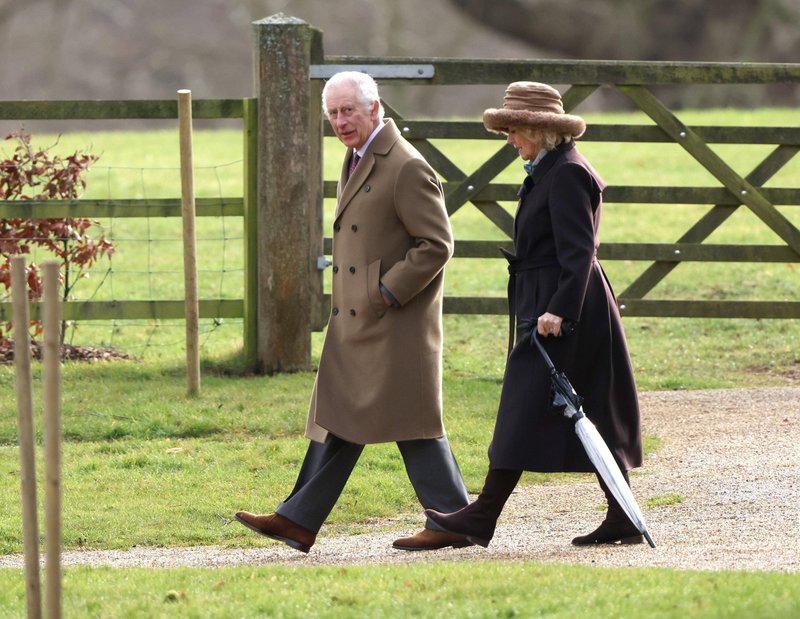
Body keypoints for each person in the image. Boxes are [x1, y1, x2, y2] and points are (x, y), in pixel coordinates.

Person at [235, 71, 471, 553]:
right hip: (361, 320)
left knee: (412, 420)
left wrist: (385, 292)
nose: (340, 122)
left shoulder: (404, 164)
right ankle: (298, 518)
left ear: (375, 109)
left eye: (349, 111)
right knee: (342, 414)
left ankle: (451, 519)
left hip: (392, 321)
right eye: (334, 113)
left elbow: (437, 244)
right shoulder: (359, 155)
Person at [426, 81, 644, 547]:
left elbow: (581, 250)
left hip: (563, 307)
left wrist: (558, 311)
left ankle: (481, 516)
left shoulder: (566, 173)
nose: (509, 139)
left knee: (527, 408)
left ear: (537, 130)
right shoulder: (550, 168)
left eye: (514, 130)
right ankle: (620, 514)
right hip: (554, 300)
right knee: (584, 408)